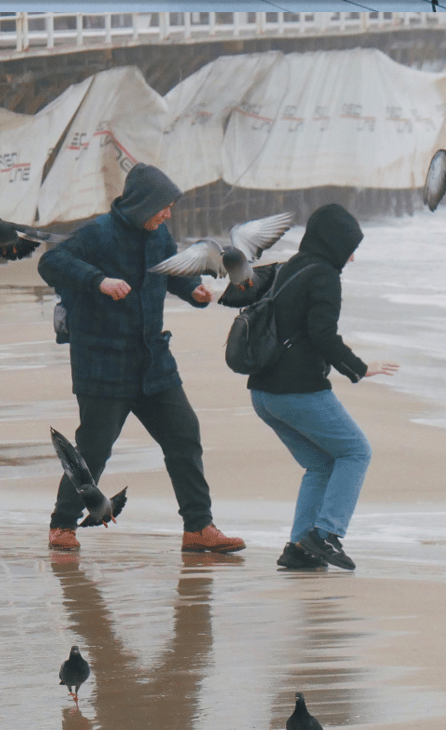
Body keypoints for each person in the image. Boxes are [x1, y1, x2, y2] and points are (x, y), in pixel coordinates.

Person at [37, 162, 245, 554]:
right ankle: (62, 525)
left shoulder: (159, 234)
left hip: (154, 363)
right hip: (103, 365)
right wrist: (98, 280)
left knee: (185, 435)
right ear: (141, 204)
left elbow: (170, 271)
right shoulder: (98, 233)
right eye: (163, 206)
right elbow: (50, 263)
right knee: (93, 451)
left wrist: (193, 291)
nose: (168, 214)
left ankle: (199, 528)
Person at [221, 204, 398, 570]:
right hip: (295, 391)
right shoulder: (324, 276)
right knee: (355, 452)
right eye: (349, 247)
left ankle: (299, 548)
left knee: (320, 464)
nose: (350, 256)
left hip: (264, 394)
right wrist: (360, 368)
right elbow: (322, 335)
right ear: (332, 243)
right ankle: (325, 535)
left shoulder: (291, 267)